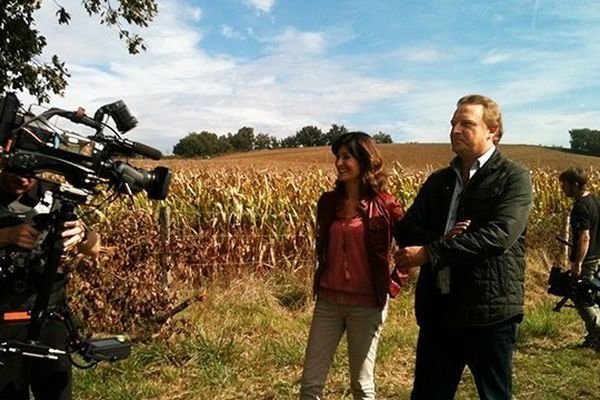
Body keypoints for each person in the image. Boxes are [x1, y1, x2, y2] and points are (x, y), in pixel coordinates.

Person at [395, 94, 533, 400]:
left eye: (466, 123)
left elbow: (499, 236)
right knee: (428, 394)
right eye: (453, 123)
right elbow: (406, 229)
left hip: (489, 311)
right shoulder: (439, 181)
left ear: (492, 131)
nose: (455, 130)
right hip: (439, 311)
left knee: (494, 394)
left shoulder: (514, 178)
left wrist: (431, 252)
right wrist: (442, 241)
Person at [299, 132, 405, 400]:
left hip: (366, 305)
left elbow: (410, 250)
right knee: (310, 386)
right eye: (337, 157)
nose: (339, 163)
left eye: (347, 156)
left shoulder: (385, 204)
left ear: (365, 160)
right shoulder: (328, 202)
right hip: (328, 303)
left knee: (361, 384)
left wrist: (392, 285)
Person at [0, 170, 100, 400]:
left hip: (50, 312)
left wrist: (82, 235)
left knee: (56, 391)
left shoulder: (54, 196)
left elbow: (94, 246)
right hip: (4, 310)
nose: (23, 180)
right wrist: (7, 236)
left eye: (30, 174)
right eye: (17, 172)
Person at [559, 167, 600, 350]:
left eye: (565, 185)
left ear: (575, 185)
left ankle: (597, 334)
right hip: (597, 257)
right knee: (593, 296)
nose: (562, 189)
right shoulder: (595, 201)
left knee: (582, 297)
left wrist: (578, 263)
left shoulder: (581, 207)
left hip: (588, 259)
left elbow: (584, 237)